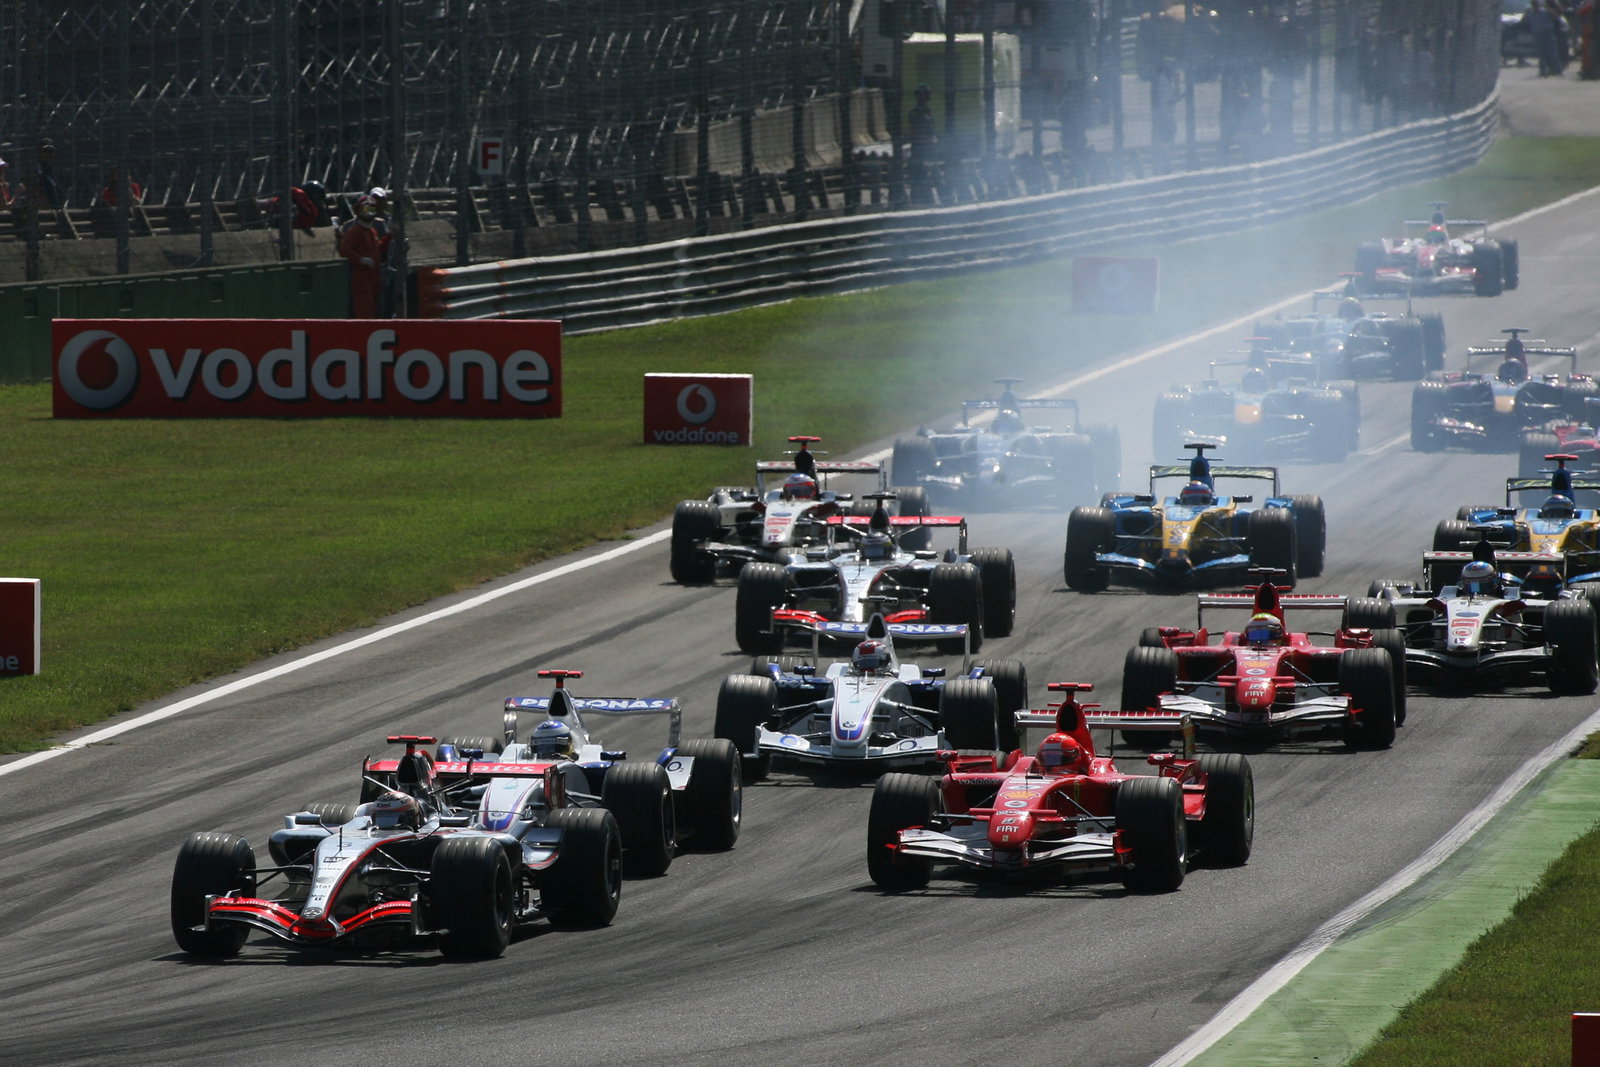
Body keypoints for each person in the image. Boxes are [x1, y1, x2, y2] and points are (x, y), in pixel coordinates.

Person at [337, 194, 384, 317]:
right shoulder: (355, 230)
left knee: (375, 309)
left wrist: (391, 236)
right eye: (365, 210)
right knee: (364, 310)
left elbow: (379, 248)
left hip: (374, 276)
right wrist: (361, 259)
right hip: (361, 277)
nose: (369, 214)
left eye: (372, 210)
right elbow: (344, 249)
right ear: (359, 211)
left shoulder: (372, 231)